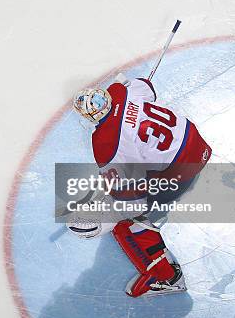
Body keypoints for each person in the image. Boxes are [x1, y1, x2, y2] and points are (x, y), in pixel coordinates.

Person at [68, 75, 212, 297]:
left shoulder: (107, 143)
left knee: (129, 221)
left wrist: (108, 215)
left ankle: (167, 277)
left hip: (181, 172)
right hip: (196, 143)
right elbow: (146, 86)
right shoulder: (121, 93)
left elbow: (130, 200)